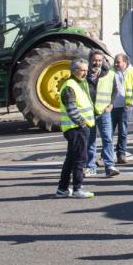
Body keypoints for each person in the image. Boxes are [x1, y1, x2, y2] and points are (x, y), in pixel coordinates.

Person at [57, 58, 95, 199]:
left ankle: (62, 189)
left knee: (71, 159)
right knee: (80, 159)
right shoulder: (70, 86)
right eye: (82, 70)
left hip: (76, 127)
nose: (85, 73)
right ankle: (77, 188)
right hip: (76, 128)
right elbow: (71, 110)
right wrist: (83, 124)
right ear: (74, 71)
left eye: (86, 70)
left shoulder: (79, 83)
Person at [85, 50, 119, 178]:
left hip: (104, 112)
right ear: (89, 60)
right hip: (88, 113)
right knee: (90, 141)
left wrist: (111, 104)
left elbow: (115, 90)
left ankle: (109, 166)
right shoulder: (84, 74)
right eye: (94, 60)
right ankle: (90, 167)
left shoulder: (109, 74)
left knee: (108, 139)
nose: (97, 63)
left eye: (99, 60)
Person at [110, 53, 133, 165]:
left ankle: (121, 155)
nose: (116, 64)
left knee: (123, 132)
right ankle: (106, 155)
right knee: (108, 133)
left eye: (118, 62)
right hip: (111, 107)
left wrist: (132, 104)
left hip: (125, 107)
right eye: (115, 61)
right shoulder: (110, 72)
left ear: (125, 62)